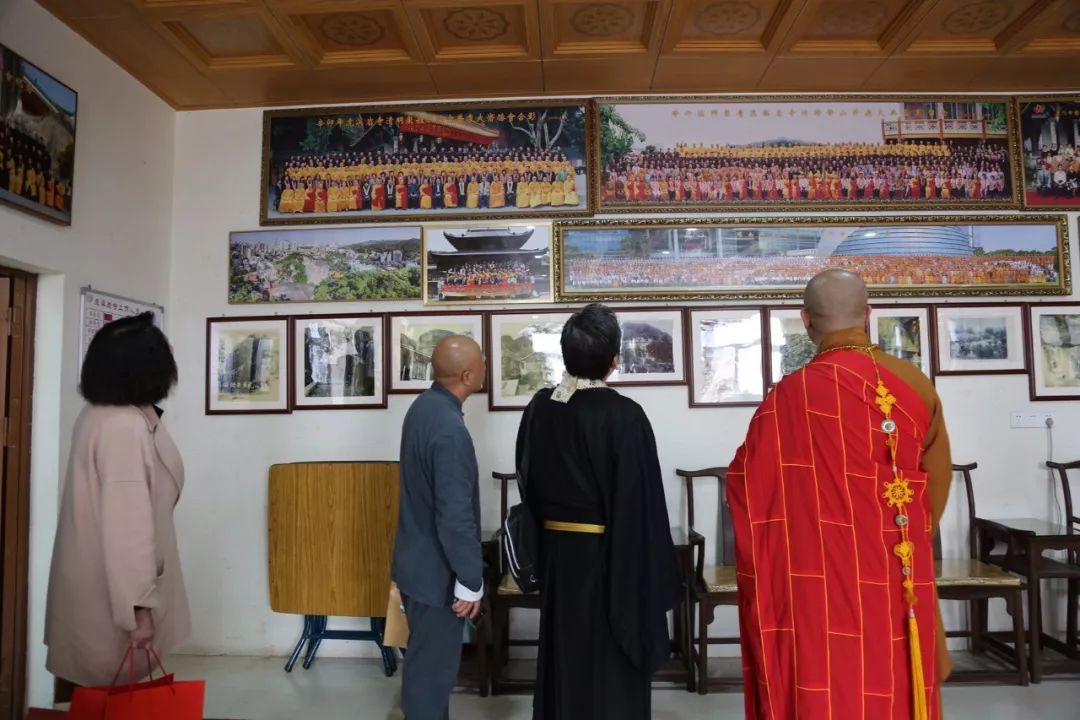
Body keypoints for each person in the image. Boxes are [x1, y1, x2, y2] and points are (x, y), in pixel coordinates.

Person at [727, 269, 952, 720]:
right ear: (869, 315)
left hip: (815, 579)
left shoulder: (788, 397)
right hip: (894, 569)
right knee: (895, 685)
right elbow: (935, 489)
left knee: (825, 681)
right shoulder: (913, 385)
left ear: (806, 321)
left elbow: (747, 485)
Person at [517, 303, 681, 720]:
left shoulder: (540, 408)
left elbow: (528, 483)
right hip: (612, 560)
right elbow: (640, 502)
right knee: (608, 663)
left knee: (564, 656)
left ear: (566, 355)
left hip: (558, 557)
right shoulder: (624, 415)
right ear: (614, 361)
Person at [44, 313, 190, 700]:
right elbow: (128, 528)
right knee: (113, 696)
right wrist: (138, 610)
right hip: (115, 595)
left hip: (93, 582)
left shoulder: (97, 414)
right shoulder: (124, 426)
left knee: (96, 694)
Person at [391, 336, 486, 720]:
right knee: (431, 679)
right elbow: (455, 515)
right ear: (467, 375)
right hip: (437, 574)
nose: (485, 368)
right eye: (481, 363)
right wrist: (470, 578)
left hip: (416, 563)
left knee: (423, 671)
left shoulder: (423, 408)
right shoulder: (449, 429)